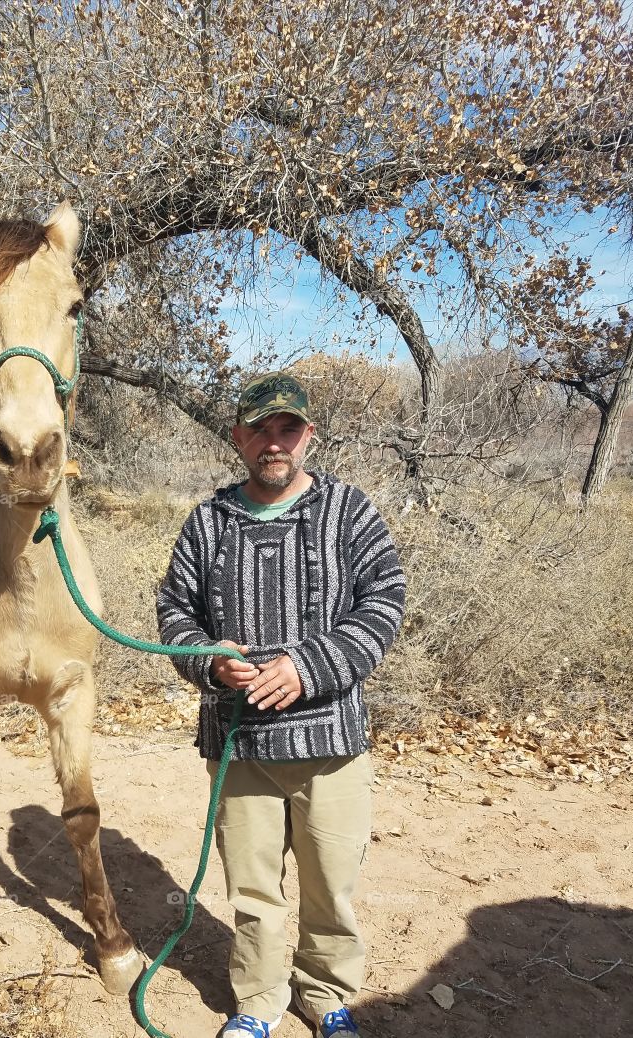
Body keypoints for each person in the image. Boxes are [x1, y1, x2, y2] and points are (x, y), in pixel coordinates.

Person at [156, 372, 406, 1038]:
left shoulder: (350, 511)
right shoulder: (207, 521)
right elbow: (173, 612)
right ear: (237, 438)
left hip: (332, 743)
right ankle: (258, 1004)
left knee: (330, 888)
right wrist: (209, 660)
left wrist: (309, 666)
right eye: (260, 430)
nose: (275, 443)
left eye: (287, 429)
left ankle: (326, 997)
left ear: (308, 436)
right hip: (241, 747)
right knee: (253, 893)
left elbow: (384, 602)